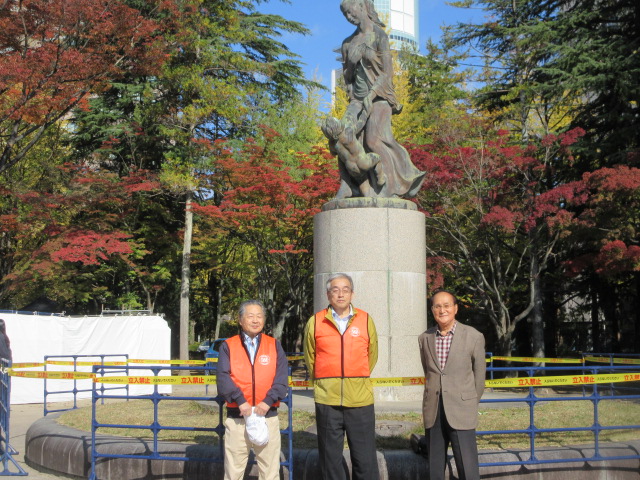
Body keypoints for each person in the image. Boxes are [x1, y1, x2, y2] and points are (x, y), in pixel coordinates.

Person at [328, 0, 425, 200]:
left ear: (362, 6)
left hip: (379, 97)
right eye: (345, 14)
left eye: (350, 11)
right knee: (340, 136)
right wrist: (352, 66)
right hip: (357, 100)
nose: (349, 16)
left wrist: (372, 95)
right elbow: (348, 80)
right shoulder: (348, 43)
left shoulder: (379, 36)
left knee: (373, 140)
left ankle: (393, 186)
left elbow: (388, 73)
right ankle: (348, 186)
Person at [303, 273, 379, 480]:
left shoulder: (365, 319)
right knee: (330, 459)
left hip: (360, 400)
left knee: (365, 459)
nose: (340, 294)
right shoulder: (316, 321)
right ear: (328, 294)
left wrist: (355, 377)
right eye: (335, 290)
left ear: (352, 293)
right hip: (328, 399)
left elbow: (372, 354)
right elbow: (310, 357)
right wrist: (325, 382)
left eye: (345, 289)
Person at [418, 290, 486, 480]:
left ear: (455, 308)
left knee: (468, 466)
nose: (442, 310)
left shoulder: (473, 336)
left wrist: (470, 402)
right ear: (432, 310)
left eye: (447, 305)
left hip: (462, 409)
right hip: (434, 409)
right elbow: (428, 372)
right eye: (437, 306)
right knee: (435, 468)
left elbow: (479, 376)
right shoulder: (424, 338)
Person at [217, 300, 288, 480]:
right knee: (233, 472)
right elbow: (223, 378)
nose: (255, 320)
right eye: (250, 316)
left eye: (259, 316)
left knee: (270, 472)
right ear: (240, 320)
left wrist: (268, 401)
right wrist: (240, 401)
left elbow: (281, 380)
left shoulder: (274, 345)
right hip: (238, 417)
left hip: (268, 416)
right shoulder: (228, 345)